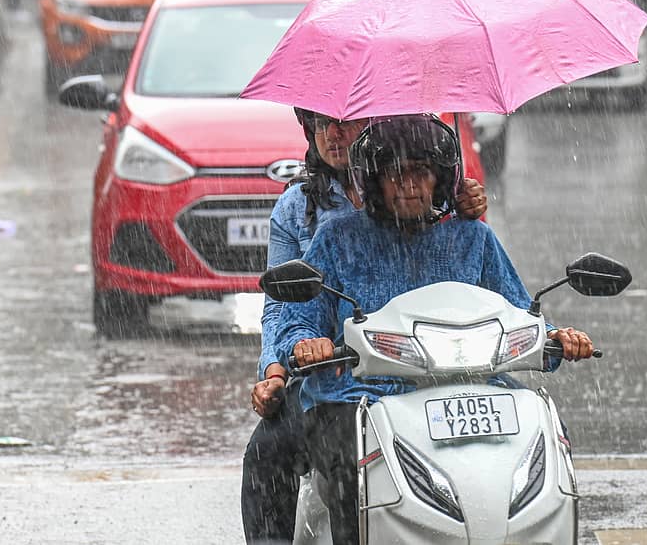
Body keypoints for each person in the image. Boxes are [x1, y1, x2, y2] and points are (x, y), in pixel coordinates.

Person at [275, 114, 595, 545]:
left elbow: (520, 312)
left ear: (440, 181)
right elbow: (297, 318)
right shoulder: (336, 239)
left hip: (472, 385)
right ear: (374, 183)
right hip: (360, 393)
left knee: (544, 431)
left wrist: (556, 340)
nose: (409, 185)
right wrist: (304, 344)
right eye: (395, 175)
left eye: (420, 173)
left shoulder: (473, 239)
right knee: (345, 462)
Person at [240, 110, 487, 544]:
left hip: (439, 367)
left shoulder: (449, 212)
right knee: (269, 452)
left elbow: (492, 294)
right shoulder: (308, 215)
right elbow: (285, 307)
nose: (333, 134)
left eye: (346, 122)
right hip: (337, 375)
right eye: (321, 125)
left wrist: (458, 207)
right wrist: (278, 369)